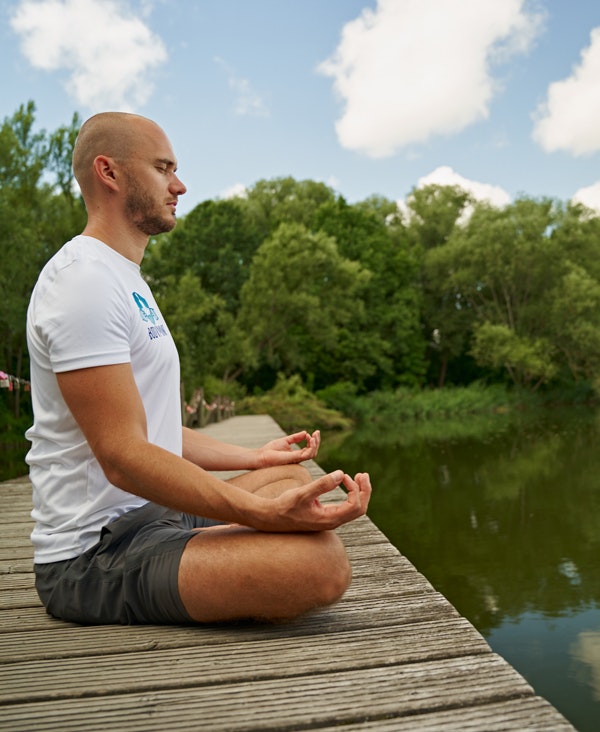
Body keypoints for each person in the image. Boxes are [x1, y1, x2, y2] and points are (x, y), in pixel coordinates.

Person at [25, 111, 372, 626]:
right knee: (320, 566)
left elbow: (155, 431)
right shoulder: (82, 284)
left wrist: (253, 458)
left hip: (155, 513)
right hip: (95, 553)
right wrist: (258, 515)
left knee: (286, 473)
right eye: (163, 168)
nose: (179, 185)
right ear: (109, 172)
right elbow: (123, 456)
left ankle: (212, 547)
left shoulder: (125, 278)